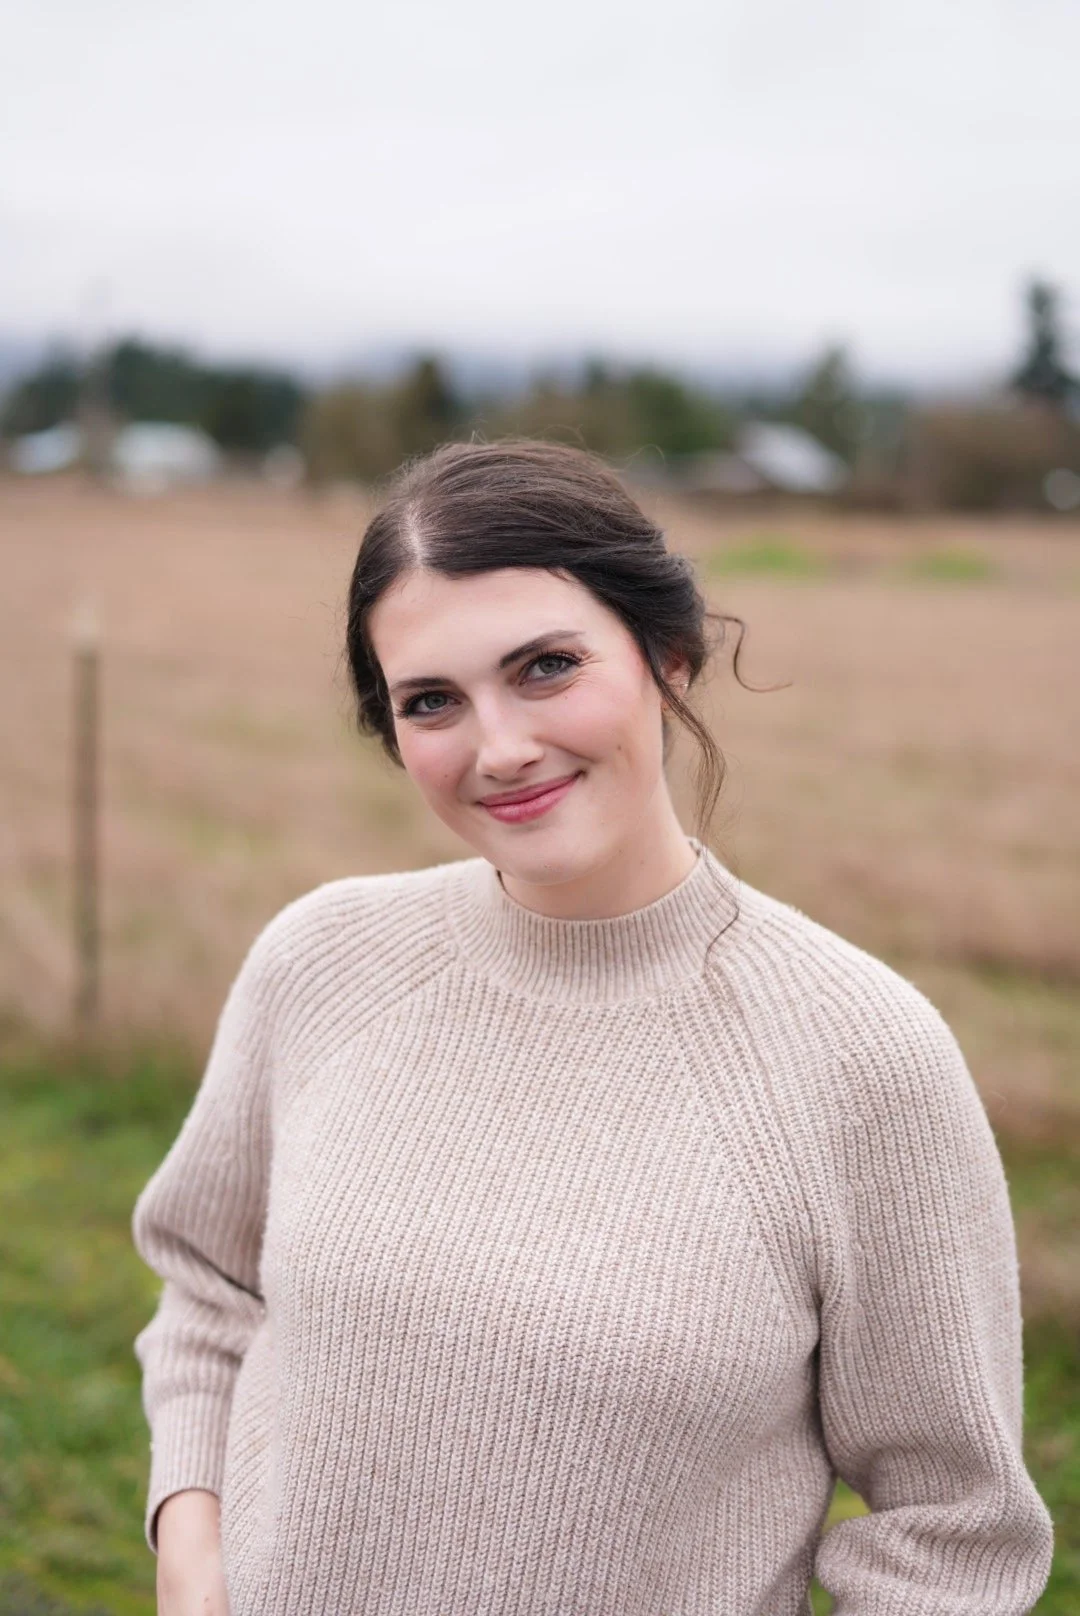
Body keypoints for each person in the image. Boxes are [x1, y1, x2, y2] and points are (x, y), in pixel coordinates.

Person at [132, 437, 1054, 1616]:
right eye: (432, 701)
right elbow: (210, 1290)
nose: (501, 746)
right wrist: (191, 1554)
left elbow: (956, 1534)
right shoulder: (322, 962)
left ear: (667, 654)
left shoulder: (863, 1055)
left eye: (547, 666)